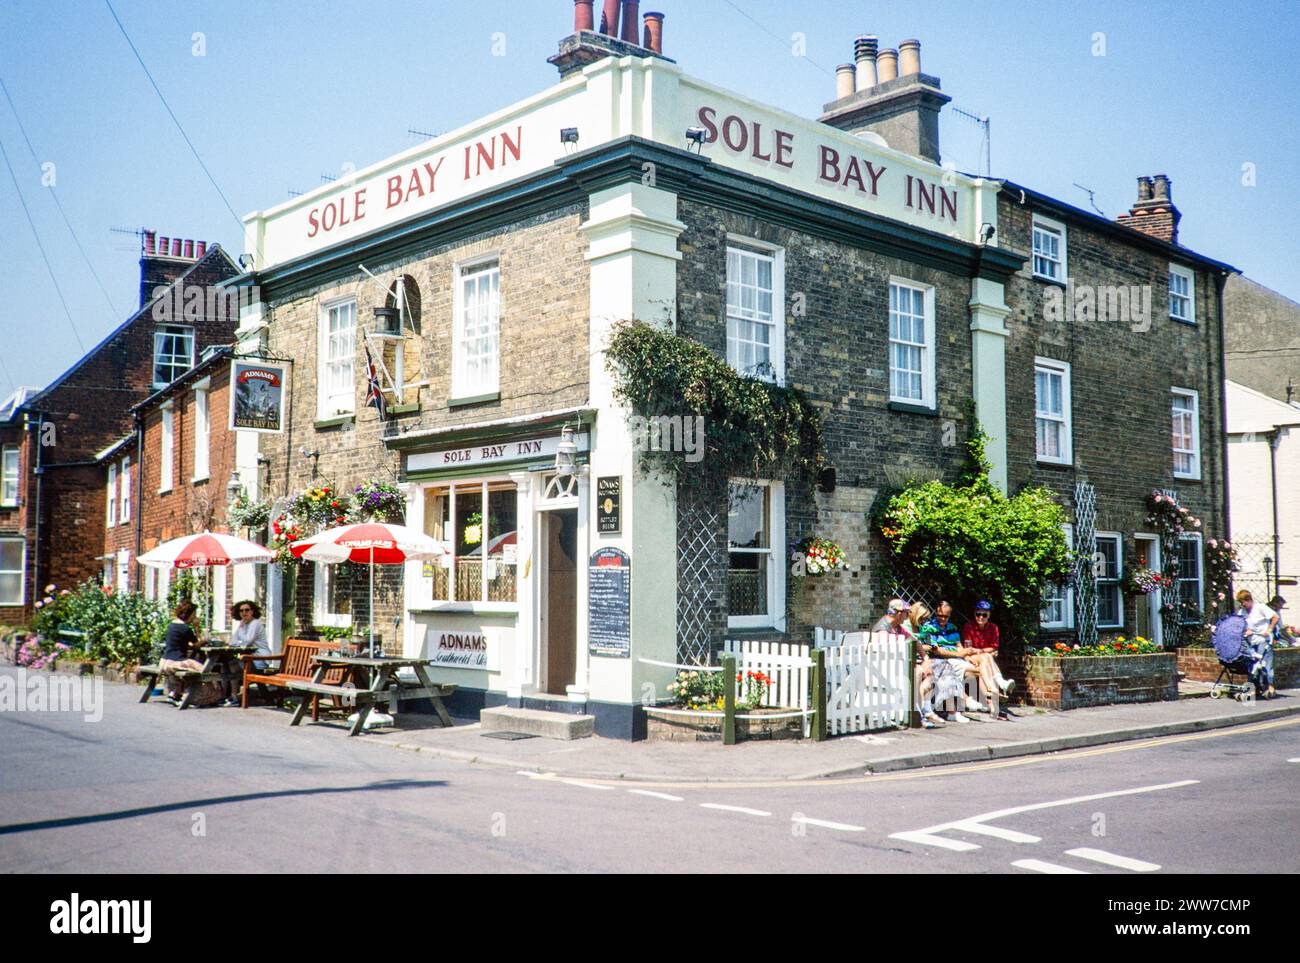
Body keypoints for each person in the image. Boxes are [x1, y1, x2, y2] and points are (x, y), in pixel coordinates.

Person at [917, 601, 987, 720]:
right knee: (951, 669)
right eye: (940, 615)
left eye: (945, 616)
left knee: (979, 667)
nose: (942, 619)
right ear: (936, 613)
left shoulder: (952, 627)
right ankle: (963, 704)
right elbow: (936, 651)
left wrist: (967, 657)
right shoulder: (929, 627)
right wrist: (960, 654)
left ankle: (989, 696)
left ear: (949, 615)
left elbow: (959, 645)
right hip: (940, 659)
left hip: (955, 658)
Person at [908, 602, 972, 724]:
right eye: (922, 618)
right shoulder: (907, 628)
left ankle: (952, 711)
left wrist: (926, 649)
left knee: (946, 667)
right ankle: (928, 712)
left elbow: (928, 646)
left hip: (924, 660)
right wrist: (926, 648)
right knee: (940, 670)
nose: (925, 621)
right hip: (914, 662)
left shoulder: (921, 627)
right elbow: (925, 647)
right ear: (915, 616)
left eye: (926, 618)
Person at [956, 600, 1016, 711]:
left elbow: (994, 646)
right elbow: (968, 648)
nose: (981, 617)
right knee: (987, 656)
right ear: (975, 614)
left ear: (989, 615)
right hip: (972, 658)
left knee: (986, 660)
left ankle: (991, 699)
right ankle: (999, 683)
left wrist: (980, 651)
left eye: (984, 615)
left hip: (983, 659)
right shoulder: (969, 627)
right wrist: (984, 652)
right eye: (978, 614)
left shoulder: (993, 628)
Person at [158, 601, 221, 707]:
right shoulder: (185, 628)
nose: (194, 617)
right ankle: (201, 698)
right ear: (188, 614)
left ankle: (174, 694)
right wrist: (202, 634)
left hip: (164, 661)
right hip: (177, 662)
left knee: (197, 669)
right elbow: (196, 645)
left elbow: (186, 644)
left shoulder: (172, 625)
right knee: (205, 672)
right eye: (193, 614)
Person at [227, 599, 271, 707]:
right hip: (250, 657)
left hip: (260, 658)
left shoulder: (255, 623)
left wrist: (240, 634)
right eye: (241, 611)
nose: (244, 613)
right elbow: (232, 642)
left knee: (237, 664)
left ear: (252, 611)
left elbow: (247, 641)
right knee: (231, 665)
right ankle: (233, 696)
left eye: (247, 610)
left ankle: (262, 696)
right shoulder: (243, 624)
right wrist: (240, 639)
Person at [1237, 590, 1278, 698]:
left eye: (1243, 602)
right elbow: (1240, 625)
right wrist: (1246, 631)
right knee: (1253, 666)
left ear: (1249, 600)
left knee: (1265, 665)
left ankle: (1270, 687)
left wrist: (1269, 629)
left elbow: (1275, 617)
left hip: (1263, 640)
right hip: (1251, 642)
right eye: (1240, 603)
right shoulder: (1242, 612)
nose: (1242, 605)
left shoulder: (1260, 607)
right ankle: (1257, 688)